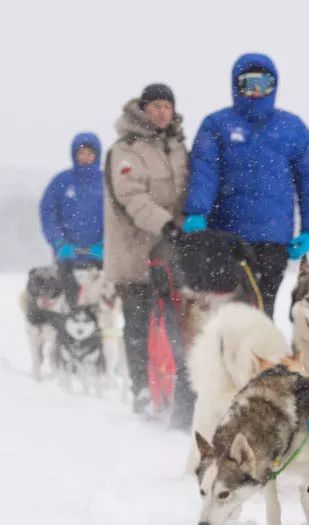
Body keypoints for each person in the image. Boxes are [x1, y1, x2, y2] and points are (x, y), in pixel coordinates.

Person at [182, 53, 309, 317]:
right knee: (227, 311)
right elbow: (204, 171)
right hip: (225, 239)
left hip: (273, 239)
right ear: (236, 85)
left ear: (274, 85)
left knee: (262, 308)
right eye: (249, 83)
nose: (256, 92)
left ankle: (262, 357)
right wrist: (197, 212)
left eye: (263, 84)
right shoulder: (216, 125)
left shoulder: (292, 128)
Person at [103, 83, 191, 423]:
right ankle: (141, 387)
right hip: (135, 250)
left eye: (167, 106)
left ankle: (173, 386)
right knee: (138, 321)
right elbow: (131, 197)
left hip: (172, 251)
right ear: (142, 109)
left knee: (175, 323)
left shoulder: (178, 146)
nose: (161, 112)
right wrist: (167, 224)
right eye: (154, 106)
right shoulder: (126, 149)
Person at [39, 133, 104, 305]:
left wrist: (106, 244)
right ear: (74, 155)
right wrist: (59, 242)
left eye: (90, 153)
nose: (85, 157)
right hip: (66, 257)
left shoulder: (107, 182)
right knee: (67, 306)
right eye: (81, 153)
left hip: (100, 259)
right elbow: (48, 212)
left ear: (97, 155)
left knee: (99, 307)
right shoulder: (61, 181)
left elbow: (116, 216)